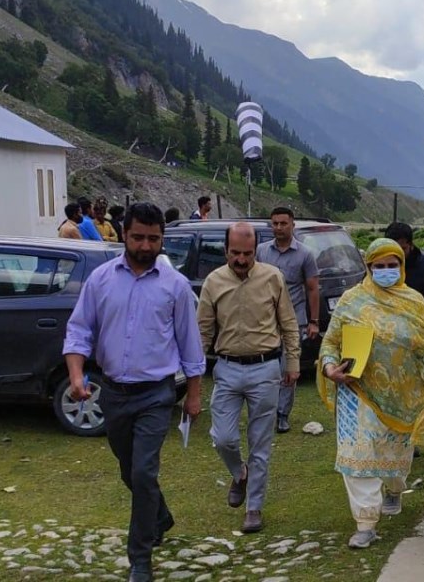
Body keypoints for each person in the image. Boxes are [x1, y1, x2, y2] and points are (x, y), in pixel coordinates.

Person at [62, 202, 205, 582]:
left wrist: (193, 394)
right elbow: (78, 332)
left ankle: (140, 559)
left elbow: (190, 346)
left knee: (143, 471)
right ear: (124, 234)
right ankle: (159, 514)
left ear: (162, 238)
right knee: (130, 471)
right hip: (112, 393)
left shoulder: (174, 286)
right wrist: (76, 375)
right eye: (138, 237)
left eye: (153, 239)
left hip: (156, 395)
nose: (145, 245)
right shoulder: (101, 279)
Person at [316, 239, 424, 549]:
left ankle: (393, 489)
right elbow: (330, 342)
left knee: (393, 456)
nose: (386, 271)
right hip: (356, 389)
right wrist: (331, 368)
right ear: (368, 267)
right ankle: (365, 523)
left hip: (402, 395)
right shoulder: (351, 300)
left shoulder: (414, 302)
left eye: (392, 265)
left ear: (401, 267)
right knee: (357, 453)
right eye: (379, 266)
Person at [198, 222, 301, 534]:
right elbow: (202, 329)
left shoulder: (272, 278)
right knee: (223, 437)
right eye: (234, 253)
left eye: (246, 253)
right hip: (227, 368)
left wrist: (292, 362)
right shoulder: (213, 282)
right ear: (225, 250)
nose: (241, 259)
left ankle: (254, 507)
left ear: (255, 249)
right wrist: (193, 372)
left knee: (261, 443)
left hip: (265, 368)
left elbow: (288, 322)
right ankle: (239, 473)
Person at [256, 207, 320, 434]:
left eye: (283, 223)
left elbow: (312, 288)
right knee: (265, 370)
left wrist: (313, 321)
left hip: (294, 322)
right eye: (275, 223)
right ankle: (265, 413)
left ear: (292, 224)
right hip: (265, 322)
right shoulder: (261, 251)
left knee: (288, 369)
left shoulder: (305, 254)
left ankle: (283, 414)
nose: (279, 228)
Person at [385, 222, 424, 317]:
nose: (397, 254)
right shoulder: (378, 268)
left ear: (411, 245)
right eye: (392, 249)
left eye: (402, 249)